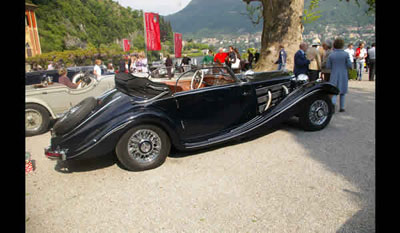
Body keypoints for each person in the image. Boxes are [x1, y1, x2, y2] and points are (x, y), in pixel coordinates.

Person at [326, 38, 352, 113]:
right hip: (343, 74)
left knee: (334, 91)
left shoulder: (331, 55)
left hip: (334, 74)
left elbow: (328, 66)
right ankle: (342, 107)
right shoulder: (346, 54)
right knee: (343, 92)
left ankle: (333, 105)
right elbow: (349, 65)